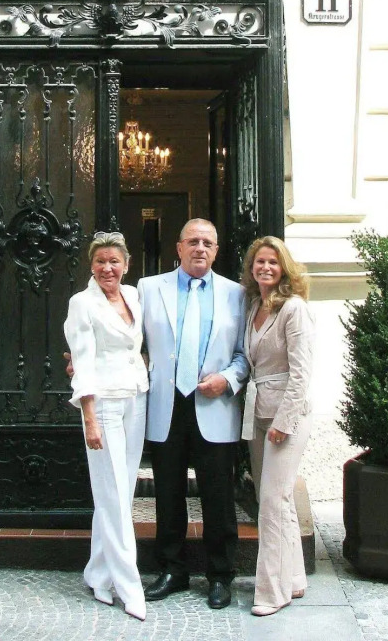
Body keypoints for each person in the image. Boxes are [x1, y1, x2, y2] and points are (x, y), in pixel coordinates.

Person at [138, 218, 249, 610]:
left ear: (216, 251)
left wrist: (227, 379)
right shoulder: (149, 289)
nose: (200, 248)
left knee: (218, 498)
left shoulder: (238, 294)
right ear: (179, 248)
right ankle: (172, 569)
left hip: (214, 404)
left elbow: (244, 354)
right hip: (167, 405)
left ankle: (220, 575)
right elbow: (131, 341)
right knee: (168, 495)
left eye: (208, 242)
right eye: (193, 241)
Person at [64, 231, 149, 621]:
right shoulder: (82, 304)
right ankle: (129, 586)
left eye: (114, 261)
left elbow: (135, 346)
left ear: (126, 264)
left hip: (137, 398)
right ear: (91, 265)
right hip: (105, 406)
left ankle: (97, 573)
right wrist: (89, 418)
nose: (107, 268)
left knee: (120, 494)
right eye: (100, 261)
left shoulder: (133, 296)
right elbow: (81, 361)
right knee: (114, 497)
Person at [240, 235, 314, 617]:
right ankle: (295, 578)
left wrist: (284, 422)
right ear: (252, 268)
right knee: (275, 500)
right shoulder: (255, 305)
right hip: (258, 412)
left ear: (283, 267)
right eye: (259, 262)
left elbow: (302, 374)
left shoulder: (294, 308)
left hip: (288, 415)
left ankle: (272, 592)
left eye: (273, 262)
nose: (265, 267)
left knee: (272, 502)